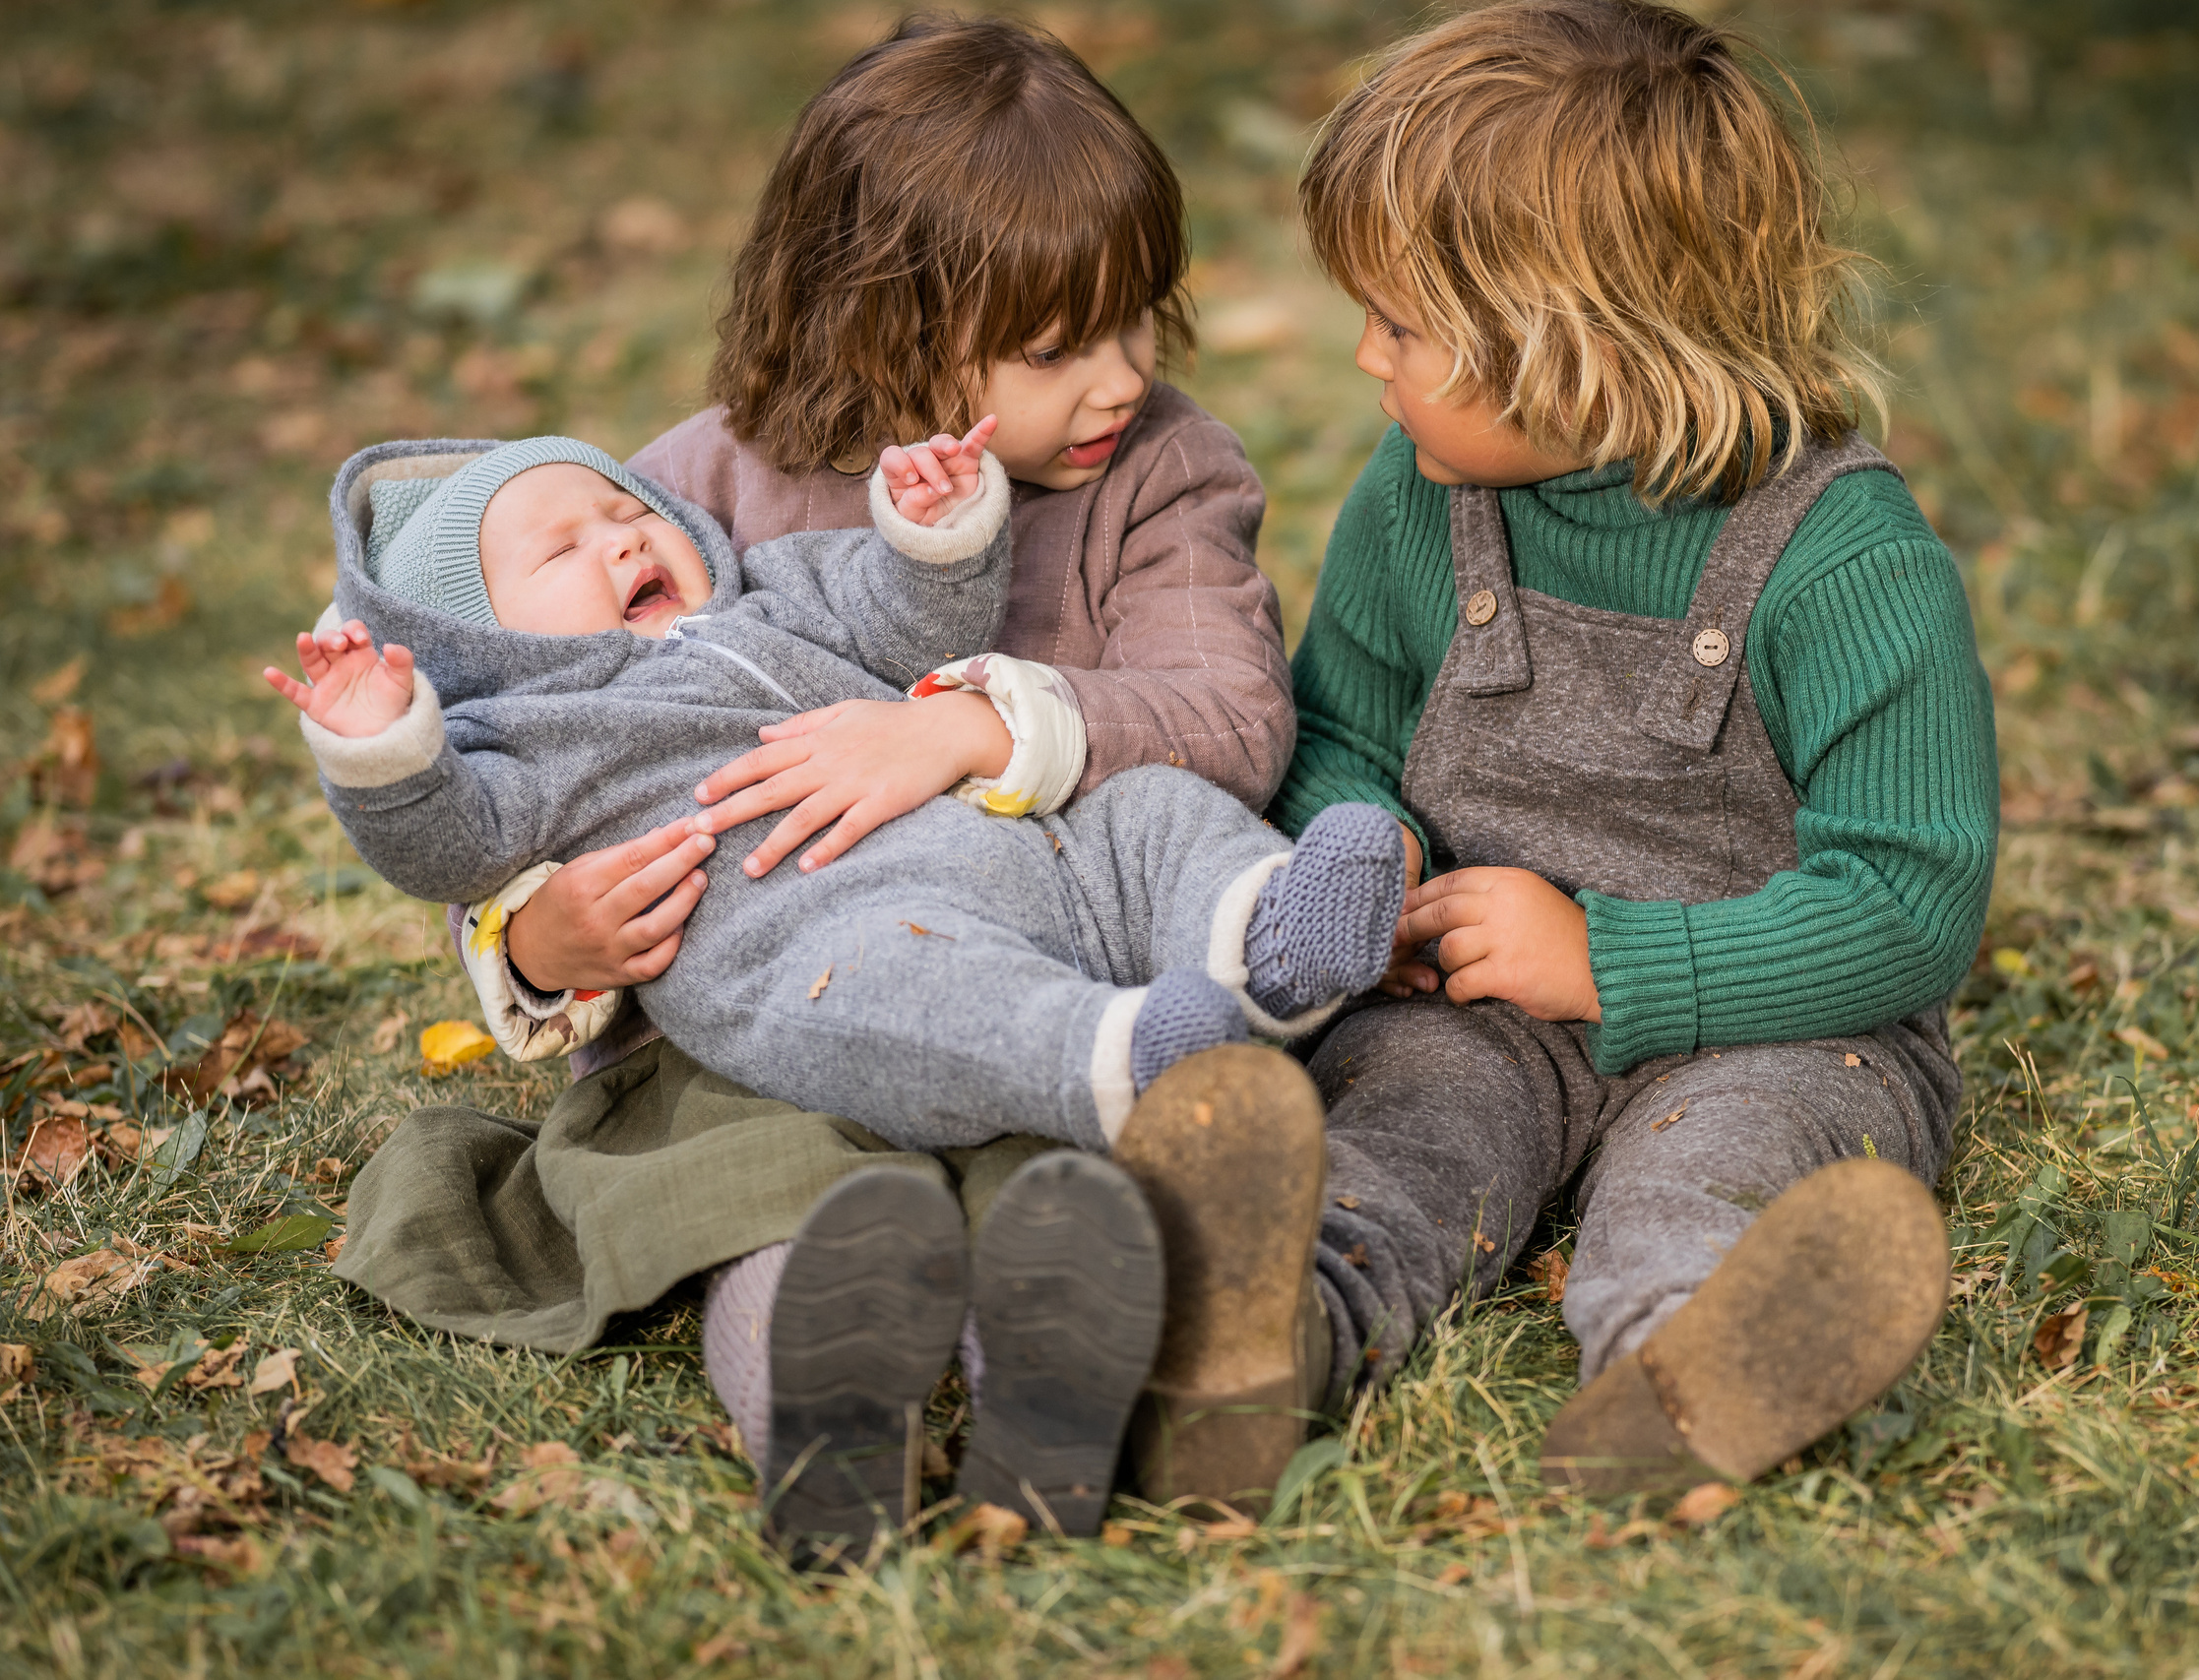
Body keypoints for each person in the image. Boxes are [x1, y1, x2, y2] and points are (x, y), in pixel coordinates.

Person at [328, 14, 1332, 1556]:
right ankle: (823, 1420)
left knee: (1067, 1177)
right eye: (1055, 348)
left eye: (1138, 317)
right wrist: (537, 943)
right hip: (760, 1030)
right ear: (876, 324)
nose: (1122, 376)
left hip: (1052, 963)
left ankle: (1047, 1391)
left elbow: (1230, 716)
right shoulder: (686, 491)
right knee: (771, 1196)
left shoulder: (1162, 472)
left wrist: (967, 730)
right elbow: (526, 757)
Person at [287, 427, 1402, 1548]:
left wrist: (932, 531)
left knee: (1146, 814)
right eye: (561, 549)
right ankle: (1102, 1082)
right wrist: (383, 748)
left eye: (628, 513)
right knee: (879, 1073)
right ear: (476, 638)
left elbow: (904, 617)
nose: (622, 541)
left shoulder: (775, 591)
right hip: (812, 939)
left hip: (1011, 849)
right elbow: (449, 841)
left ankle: (1264, 941)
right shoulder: (520, 735)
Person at [1270, 0, 2001, 1494]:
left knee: (1708, 1171)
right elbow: (1335, 728)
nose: (1363, 356)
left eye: (1402, 326)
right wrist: (1369, 851)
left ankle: (1682, 1370)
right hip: (1473, 1010)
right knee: (1400, 1135)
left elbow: (1909, 900)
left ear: (1579, 349)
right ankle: (1266, 1336)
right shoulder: (1416, 499)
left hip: (1780, 1028)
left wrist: (1612, 964)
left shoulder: (1844, 559)